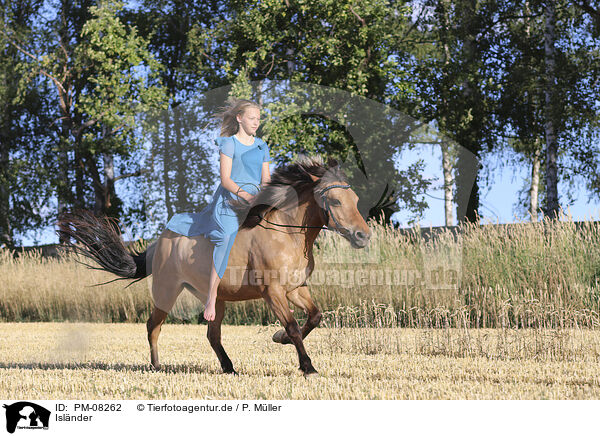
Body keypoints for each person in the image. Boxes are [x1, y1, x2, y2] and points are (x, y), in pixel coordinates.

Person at [164, 98, 271, 321]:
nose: (256, 122)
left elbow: (266, 180)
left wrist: (268, 198)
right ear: (239, 119)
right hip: (229, 203)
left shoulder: (261, 146)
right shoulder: (229, 144)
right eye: (252, 118)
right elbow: (225, 180)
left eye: (258, 119)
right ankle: (211, 296)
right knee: (226, 236)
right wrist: (246, 195)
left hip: (255, 201)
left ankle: (277, 294)